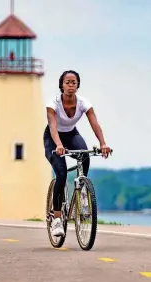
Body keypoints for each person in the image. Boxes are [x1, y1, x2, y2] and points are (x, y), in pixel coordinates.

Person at [44, 70, 111, 237]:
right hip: (53, 138)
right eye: (67, 82)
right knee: (60, 174)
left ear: (77, 85)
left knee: (85, 155)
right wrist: (59, 145)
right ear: (61, 85)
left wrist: (103, 143)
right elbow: (53, 126)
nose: (70, 85)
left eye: (73, 82)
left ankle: (82, 191)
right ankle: (57, 219)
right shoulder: (53, 103)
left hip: (72, 135)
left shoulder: (83, 103)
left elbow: (94, 123)